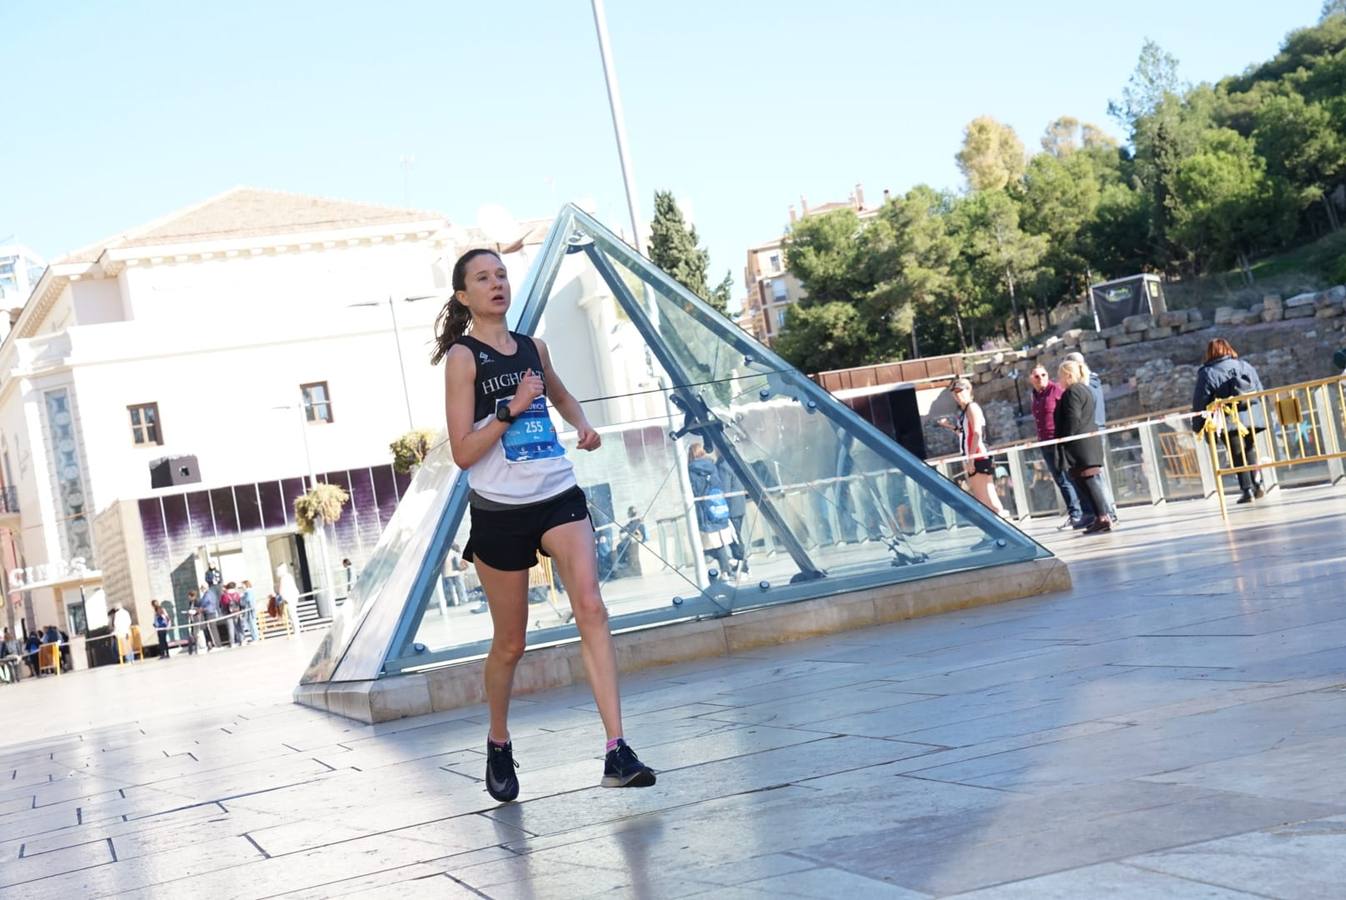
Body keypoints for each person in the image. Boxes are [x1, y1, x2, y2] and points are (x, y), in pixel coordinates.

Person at [434, 247, 655, 802]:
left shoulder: (534, 347)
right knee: (511, 642)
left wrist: (580, 422)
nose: (496, 284)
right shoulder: (464, 358)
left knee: (592, 607)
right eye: (482, 278)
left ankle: (616, 750)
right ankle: (500, 740)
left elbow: (554, 388)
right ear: (464, 297)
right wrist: (509, 408)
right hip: (500, 510)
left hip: (557, 493)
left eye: (501, 274)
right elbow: (462, 453)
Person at [1192, 337, 1266, 504]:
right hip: (1251, 416)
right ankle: (1258, 483)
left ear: (1210, 352)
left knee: (1237, 453)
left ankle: (1247, 490)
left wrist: (1198, 426)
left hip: (1228, 419)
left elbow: (1200, 401)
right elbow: (1259, 390)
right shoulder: (1244, 365)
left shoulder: (1207, 372)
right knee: (1250, 449)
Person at [1056, 360, 1113, 534]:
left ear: (1068, 375)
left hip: (1080, 445)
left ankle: (1102, 516)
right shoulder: (1085, 390)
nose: (1058, 380)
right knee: (1086, 481)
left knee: (1089, 481)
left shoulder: (1073, 391)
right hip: (1085, 443)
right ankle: (1099, 516)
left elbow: (1073, 418)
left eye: (1060, 376)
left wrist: (1066, 439)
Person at [937, 378, 1007, 517]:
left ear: (968, 390)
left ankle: (1006, 527)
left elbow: (976, 433)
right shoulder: (965, 411)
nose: (957, 395)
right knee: (984, 498)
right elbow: (964, 434)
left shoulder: (972, 407)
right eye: (954, 392)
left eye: (960, 391)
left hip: (978, 456)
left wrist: (971, 460)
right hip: (974, 456)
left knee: (987, 499)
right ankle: (996, 529)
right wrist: (948, 426)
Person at [1029, 365, 1086, 528]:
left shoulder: (1056, 390)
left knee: (1067, 478)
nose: (1040, 379)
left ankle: (1078, 513)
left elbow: (1069, 412)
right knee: (1060, 479)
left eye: (1043, 375)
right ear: (1031, 379)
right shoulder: (1035, 395)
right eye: (1036, 376)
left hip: (1058, 441)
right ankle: (1075, 513)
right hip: (1044, 442)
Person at [1065, 351, 1118, 521]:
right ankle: (1106, 512)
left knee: (1096, 477)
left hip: (1090, 432)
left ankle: (1108, 512)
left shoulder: (1086, 386)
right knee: (1098, 476)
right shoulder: (1094, 383)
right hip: (1096, 429)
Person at [687, 443, 737, 580]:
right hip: (717, 506)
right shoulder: (712, 466)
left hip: (703, 510)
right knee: (718, 542)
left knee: (707, 544)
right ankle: (727, 566)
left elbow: (694, 491)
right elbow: (719, 485)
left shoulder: (690, 471)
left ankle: (726, 568)